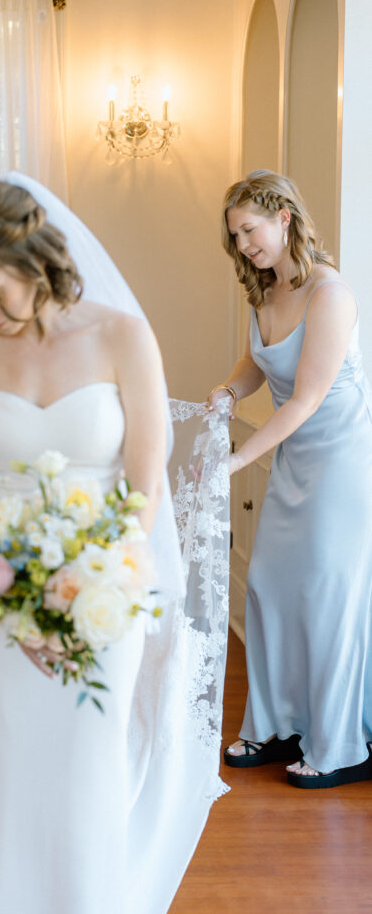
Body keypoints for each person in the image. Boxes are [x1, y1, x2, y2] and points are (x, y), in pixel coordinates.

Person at [0, 174, 230, 914]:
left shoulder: (120, 336)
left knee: (82, 770)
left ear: (29, 261)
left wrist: (94, 586)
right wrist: (18, 599)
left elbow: (144, 484)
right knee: (5, 771)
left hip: (105, 587)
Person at [208, 169, 372, 788]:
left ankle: (339, 745)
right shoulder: (267, 293)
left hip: (340, 462)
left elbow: (302, 401)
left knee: (328, 598)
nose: (245, 245)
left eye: (250, 230)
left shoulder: (331, 295)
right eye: (236, 236)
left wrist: (234, 461)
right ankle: (276, 724)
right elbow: (257, 362)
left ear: (283, 216)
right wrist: (227, 391)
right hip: (295, 457)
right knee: (270, 587)